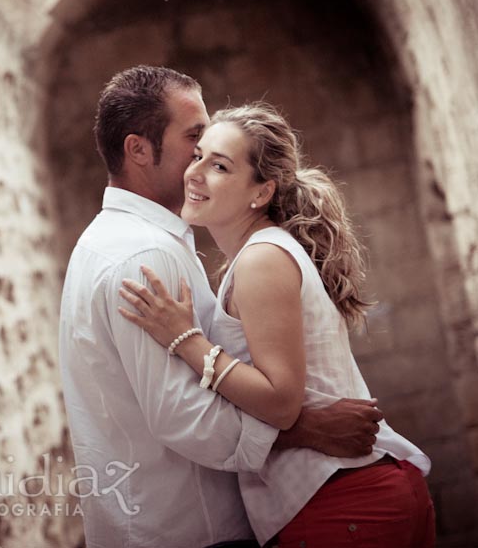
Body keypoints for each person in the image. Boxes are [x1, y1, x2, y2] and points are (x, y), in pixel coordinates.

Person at [59, 66, 386, 548]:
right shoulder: (142, 256)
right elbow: (181, 414)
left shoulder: (126, 243)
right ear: (139, 150)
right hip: (188, 529)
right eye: (195, 139)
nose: (200, 155)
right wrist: (305, 430)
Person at [118, 102, 434, 547]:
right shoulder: (259, 255)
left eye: (221, 166)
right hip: (353, 497)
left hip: (344, 504)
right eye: (198, 156)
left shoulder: (263, 258)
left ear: (261, 192)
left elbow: (281, 402)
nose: (196, 172)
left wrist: (184, 339)